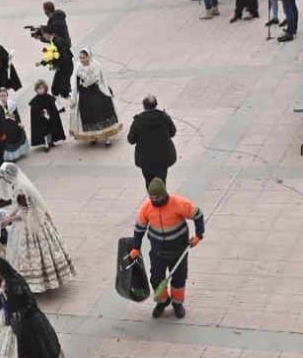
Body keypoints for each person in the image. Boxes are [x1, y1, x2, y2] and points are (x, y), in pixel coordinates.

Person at [131, 178, 205, 321]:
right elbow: (139, 229)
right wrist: (135, 247)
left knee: (179, 278)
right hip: (158, 252)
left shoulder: (179, 203)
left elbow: (198, 215)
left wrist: (198, 235)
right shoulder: (146, 208)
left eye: (157, 197)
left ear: (164, 194)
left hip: (179, 250)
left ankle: (178, 304)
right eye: (152, 197)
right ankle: (163, 301)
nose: (155, 200)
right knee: (156, 279)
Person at [0, 164, 75, 294]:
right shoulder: (19, 185)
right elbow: (20, 206)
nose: (3, 180)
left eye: (4, 177)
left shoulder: (21, 190)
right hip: (35, 219)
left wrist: (8, 220)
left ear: (8, 176)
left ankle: (32, 283)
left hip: (30, 226)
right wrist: (10, 215)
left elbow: (25, 214)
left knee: (27, 254)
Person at [69, 49, 120, 145]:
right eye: (80, 57)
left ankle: (106, 137)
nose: (82, 59)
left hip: (98, 92)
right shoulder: (78, 68)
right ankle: (92, 137)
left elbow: (100, 79)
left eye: (84, 57)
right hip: (85, 95)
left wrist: (87, 82)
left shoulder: (96, 66)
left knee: (102, 114)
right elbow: (74, 83)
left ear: (89, 57)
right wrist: (74, 96)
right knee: (89, 115)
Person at [127, 97, 177, 187]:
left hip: (145, 159)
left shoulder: (138, 121)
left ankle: (152, 198)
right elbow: (173, 132)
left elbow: (131, 140)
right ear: (156, 104)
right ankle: (162, 197)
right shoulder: (164, 117)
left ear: (144, 106)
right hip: (163, 157)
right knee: (162, 182)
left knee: (149, 183)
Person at [28, 81, 66, 152]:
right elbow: (34, 110)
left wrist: (50, 112)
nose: (40, 90)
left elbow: (53, 107)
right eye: (38, 89)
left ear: (45, 88)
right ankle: (46, 144)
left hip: (50, 117)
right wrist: (41, 112)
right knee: (44, 131)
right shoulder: (35, 100)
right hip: (40, 119)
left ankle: (50, 141)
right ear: (36, 90)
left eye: (41, 88)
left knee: (50, 130)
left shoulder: (49, 97)